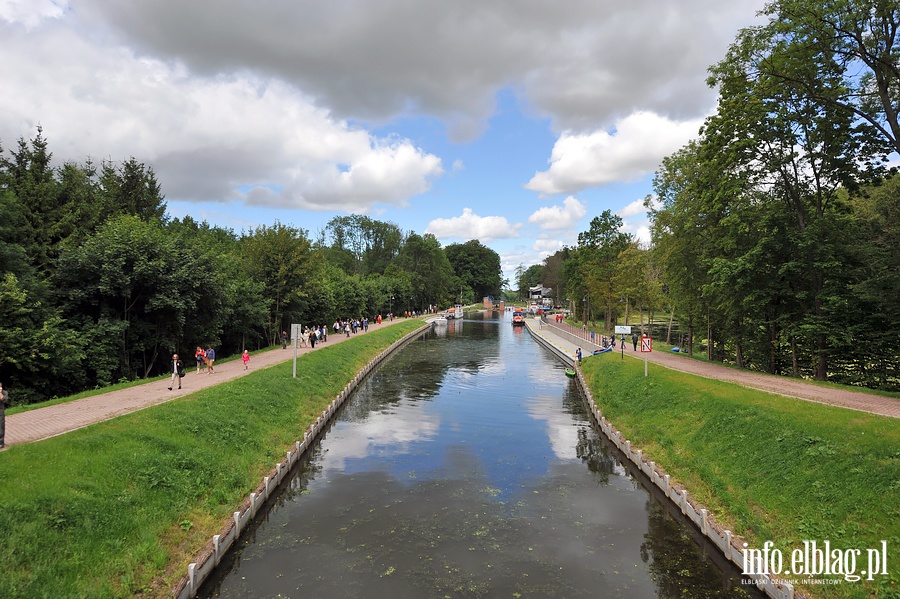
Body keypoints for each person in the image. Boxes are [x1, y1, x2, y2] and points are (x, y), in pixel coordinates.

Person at [0, 381, 9, 448]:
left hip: (0, 413)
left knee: (1, 427)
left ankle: (1, 442)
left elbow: (5, 401)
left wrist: (0, 394)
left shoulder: (4, 393)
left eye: (0, 386)